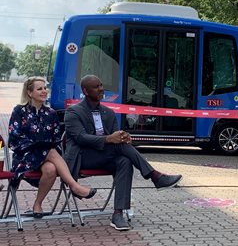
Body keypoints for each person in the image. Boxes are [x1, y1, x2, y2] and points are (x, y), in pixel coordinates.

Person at [64, 74, 183, 231]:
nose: (101, 89)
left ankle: (117, 214)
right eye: (96, 87)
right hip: (83, 157)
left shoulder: (108, 112)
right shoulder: (73, 112)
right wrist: (110, 139)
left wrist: (123, 137)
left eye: (101, 85)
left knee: (125, 161)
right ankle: (154, 176)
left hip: (105, 156)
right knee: (120, 149)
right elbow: (80, 138)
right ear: (85, 91)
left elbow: (115, 137)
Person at [8, 77, 97, 218]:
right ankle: (74, 186)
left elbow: (56, 140)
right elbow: (13, 138)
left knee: (51, 168)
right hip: (25, 158)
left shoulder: (51, 114)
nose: (44, 91)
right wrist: (35, 146)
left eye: (45, 88)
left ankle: (37, 204)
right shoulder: (19, 111)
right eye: (39, 89)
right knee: (49, 151)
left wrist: (45, 146)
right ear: (30, 93)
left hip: (46, 158)